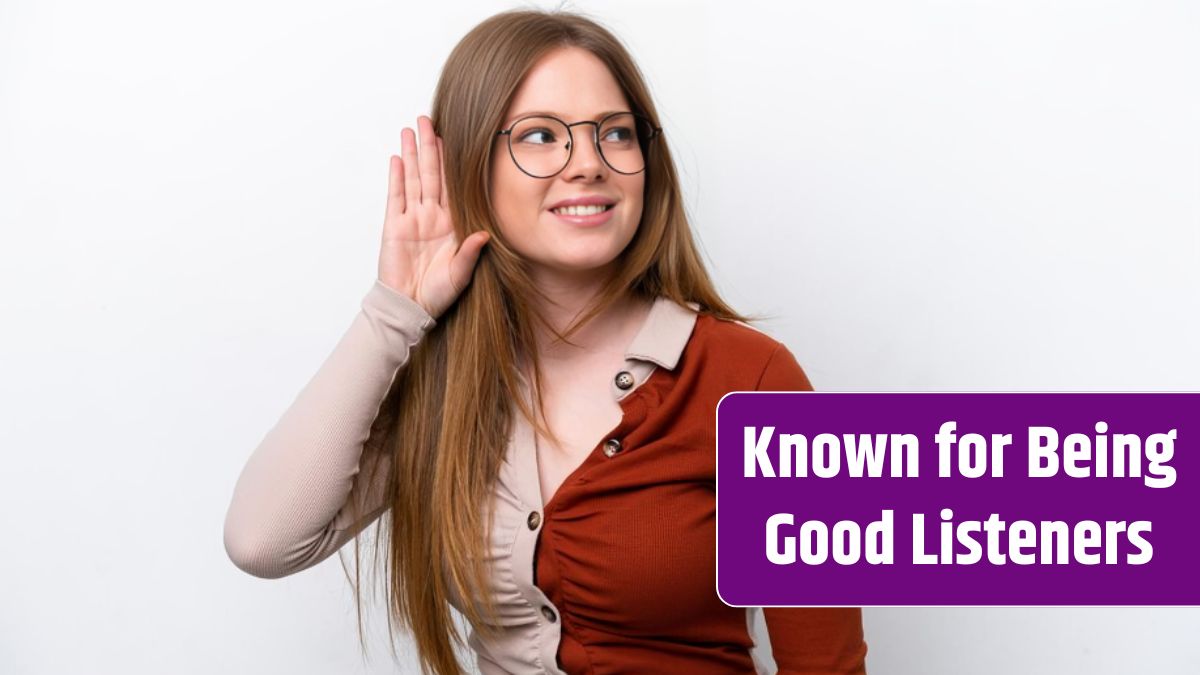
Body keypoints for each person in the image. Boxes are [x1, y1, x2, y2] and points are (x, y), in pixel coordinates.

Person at [223, 8, 868, 675]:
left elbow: (827, 665)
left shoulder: (753, 379)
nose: (588, 163)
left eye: (615, 133)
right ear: (470, 165)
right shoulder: (441, 379)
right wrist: (396, 311)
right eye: (539, 136)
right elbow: (262, 540)